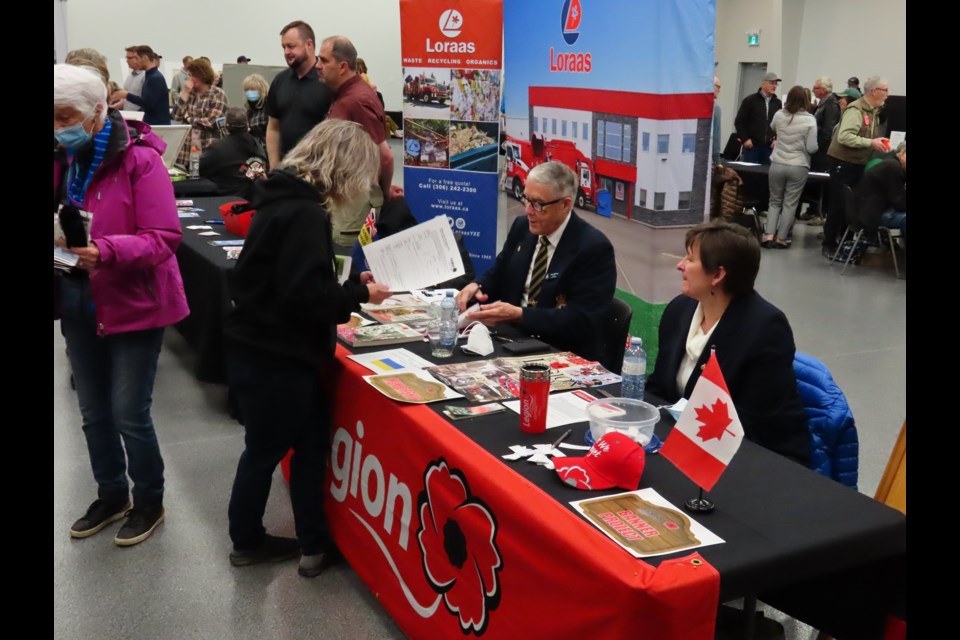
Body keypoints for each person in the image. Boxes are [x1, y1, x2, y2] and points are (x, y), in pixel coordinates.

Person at [224, 119, 392, 577]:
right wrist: (359, 297)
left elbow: (291, 278)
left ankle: (313, 541)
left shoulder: (281, 199)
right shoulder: (305, 213)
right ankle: (248, 540)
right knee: (265, 453)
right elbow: (305, 298)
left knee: (306, 447)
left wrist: (347, 282)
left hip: (265, 350)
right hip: (280, 356)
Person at [54, 64, 189, 545]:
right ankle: (112, 495)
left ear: (96, 112)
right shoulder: (61, 158)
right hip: (77, 298)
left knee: (130, 412)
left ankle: (149, 502)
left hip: (134, 301)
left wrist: (105, 251)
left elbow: (164, 238)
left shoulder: (140, 160)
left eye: (64, 116)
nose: (57, 127)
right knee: (93, 412)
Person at [647, 221, 810, 465]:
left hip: (754, 458)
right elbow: (660, 389)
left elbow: (753, 423)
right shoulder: (679, 310)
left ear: (718, 275)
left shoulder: (765, 328)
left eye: (690, 260)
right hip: (685, 442)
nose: (679, 265)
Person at [455, 161, 617, 361]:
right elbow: (499, 271)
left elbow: (582, 321)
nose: (528, 211)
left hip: (561, 352)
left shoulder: (593, 248)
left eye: (538, 204)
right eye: (526, 199)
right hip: (511, 342)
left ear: (565, 204)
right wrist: (476, 285)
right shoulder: (522, 227)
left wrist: (520, 314)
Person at [316, 36, 396, 201]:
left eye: (324, 60)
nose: (317, 65)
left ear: (342, 67)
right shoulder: (344, 94)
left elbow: (385, 157)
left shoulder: (356, 101)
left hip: (355, 201)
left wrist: (385, 192)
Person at [822, 76, 890, 255]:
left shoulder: (873, 111)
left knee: (851, 206)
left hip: (857, 164)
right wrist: (870, 143)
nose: (887, 95)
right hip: (843, 163)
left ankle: (845, 242)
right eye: (885, 91)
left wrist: (877, 142)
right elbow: (844, 136)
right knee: (838, 205)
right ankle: (828, 244)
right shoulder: (856, 110)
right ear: (874, 91)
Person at [265, 20, 334, 167]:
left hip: (317, 170)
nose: (286, 52)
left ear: (309, 45)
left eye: (291, 46)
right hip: (285, 169)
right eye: (283, 47)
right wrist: (274, 165)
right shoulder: (279, 81)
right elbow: (273, 127)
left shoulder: (328, 82)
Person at [762, 85, 817, 248]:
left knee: (774, 202)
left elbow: (772, 128)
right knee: (790, 203)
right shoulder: (810, 120)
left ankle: (768, 235)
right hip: (798, 166)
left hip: (777, 163)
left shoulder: (779, 115)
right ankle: (781, 238)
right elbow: (811, 148)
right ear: (806, 101)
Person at [198, 107, 267, 199]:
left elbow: (198, 169)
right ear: (247, 125)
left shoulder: (218, 148)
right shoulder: (258, 146)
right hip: (255, 201)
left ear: (225, 126)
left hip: (227, 201)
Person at [170, 57, 227, 168]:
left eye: (193, 75)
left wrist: (189, 119)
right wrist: (185, 93)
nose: (190, 78)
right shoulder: (189, 93)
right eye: (189, 75)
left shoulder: (217, 94)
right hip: (189, 147)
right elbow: (176, 116)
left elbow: (213, 122)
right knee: (191, 178)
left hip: (209, 145)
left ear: (202, 75)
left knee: (207, 177)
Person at [855, 141, 906, 244]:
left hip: (863, 210)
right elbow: (900, 204)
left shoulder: (889, 161)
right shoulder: (893, 167)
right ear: (903, 153)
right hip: (873, 215)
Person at [110, 46, 171, 125]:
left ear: (144, 58)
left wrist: (126, 95)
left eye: (137, 58)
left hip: (157, 125)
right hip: (151, 123)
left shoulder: (155, 78)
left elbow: (147, 103)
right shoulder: (150, 75)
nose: (135, 62)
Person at [733, 71, 782, 165]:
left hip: (769, 148)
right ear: (763, 84)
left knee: (766, 176)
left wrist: (777, 139)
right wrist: (745, 139)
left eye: (776, 83)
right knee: (749, 175)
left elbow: (780, 124)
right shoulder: (750, 101)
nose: (774, 86)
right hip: (752, 146)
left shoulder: (777, 103)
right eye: (771, 83)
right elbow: (739, 122)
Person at [242, 73, 270, 146]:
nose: (249, 92)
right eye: (247, 90)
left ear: (262, 90)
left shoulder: (270, 106)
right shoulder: (249, 110)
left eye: (253, 89)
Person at [121, 45, 145, 112]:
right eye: (126, 58)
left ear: (138, 58)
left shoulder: (145, 76)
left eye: (130, 58)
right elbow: (126, 100)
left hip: (139, 116)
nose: (127, 61)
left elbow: (146, 102)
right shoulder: (130, 76)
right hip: (128, 114)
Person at [711, 76, 722, 166]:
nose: (719, 90)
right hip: (709, 158)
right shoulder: (715, 108)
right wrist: (717, 160)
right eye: (718, 87)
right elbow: (716, 135)